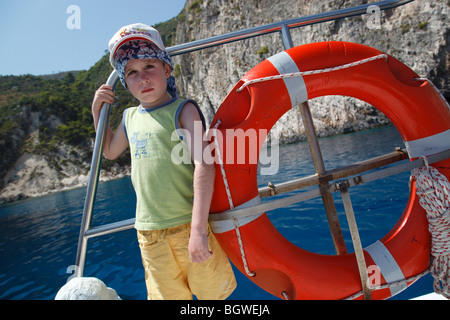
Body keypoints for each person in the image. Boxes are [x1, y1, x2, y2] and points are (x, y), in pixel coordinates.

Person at [91, 23, 236, 300]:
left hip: (188, 227)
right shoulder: (129, 118)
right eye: (131, 72)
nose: (142, 78)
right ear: (125, 81)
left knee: (211, 297)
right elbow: (109, 150)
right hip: (149, 233)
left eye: (149, 67)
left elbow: (204, 164)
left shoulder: (183, 110)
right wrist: (97, 112)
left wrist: (197, 231)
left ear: (166, 70)